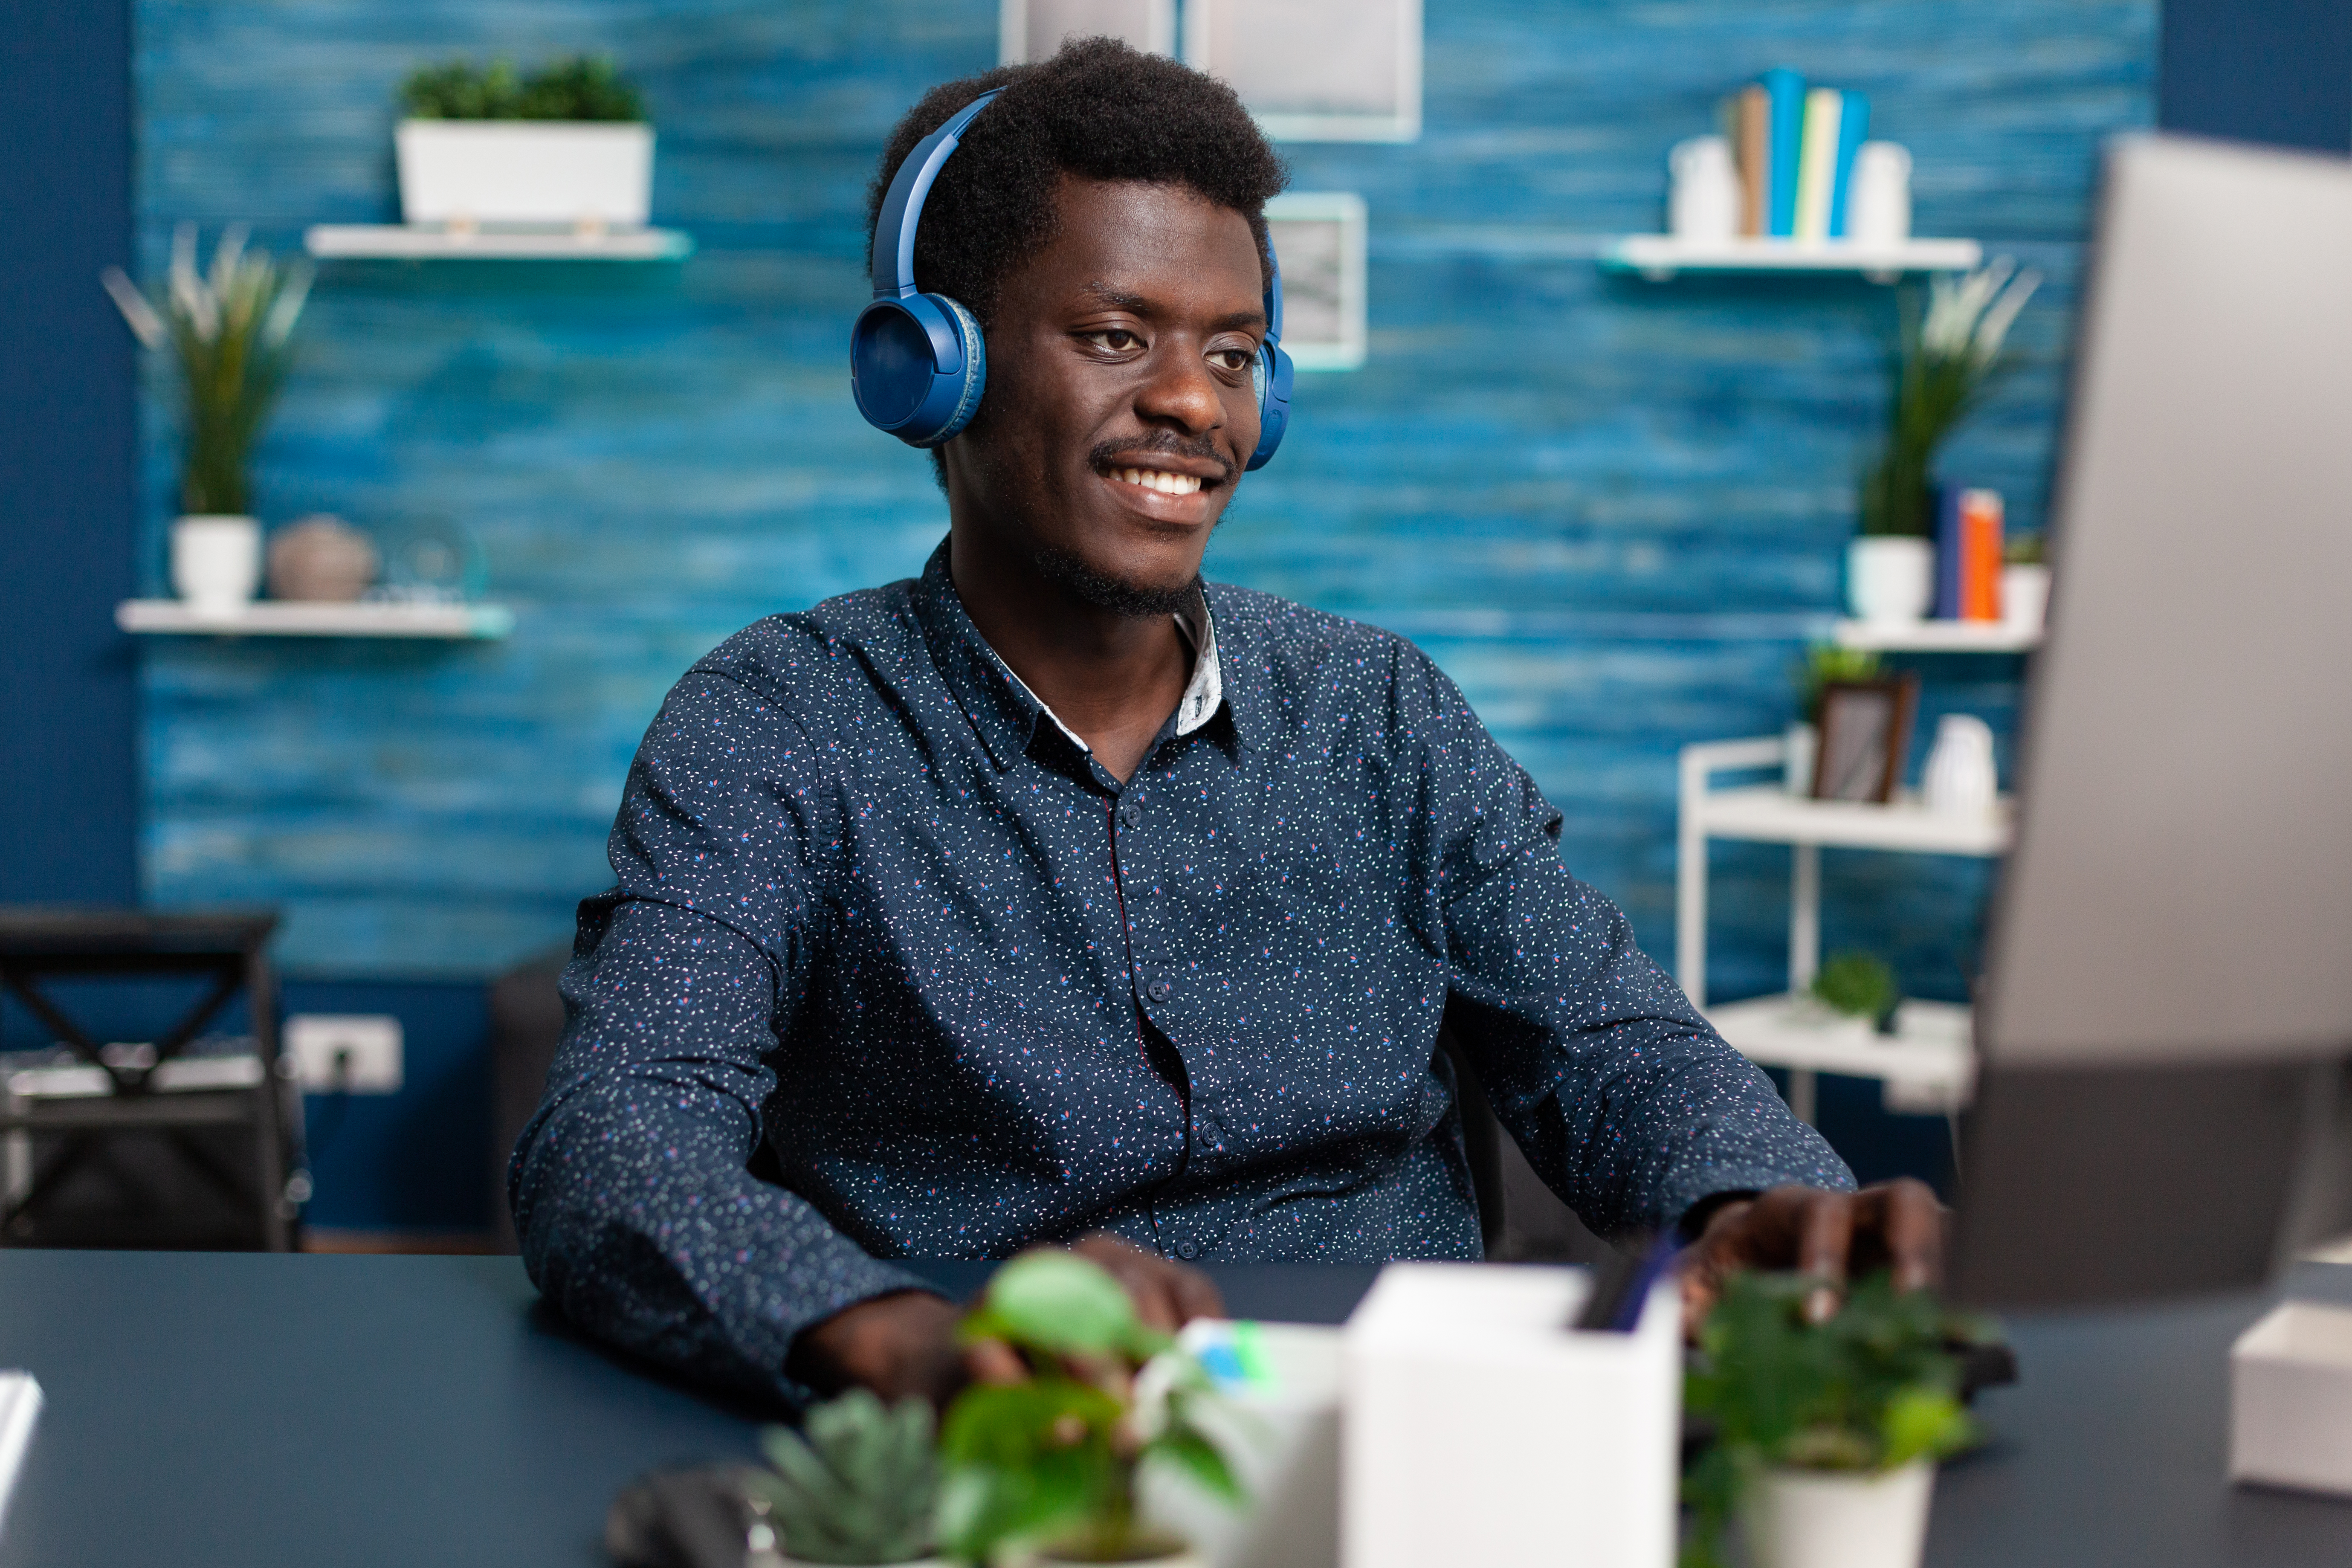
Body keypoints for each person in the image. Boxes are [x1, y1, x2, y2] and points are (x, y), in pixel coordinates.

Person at [511, 38, 1939, 1411]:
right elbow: (619, 1139)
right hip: (1022, 1441)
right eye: (1117, 336)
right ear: (930, 370)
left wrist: (1755, 1203)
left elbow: (1611, 1043)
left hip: (1411, 1437)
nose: (1194, 402)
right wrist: (890, 1340)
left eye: (1237, 354)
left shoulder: (1379, 711)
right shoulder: (776, 722)